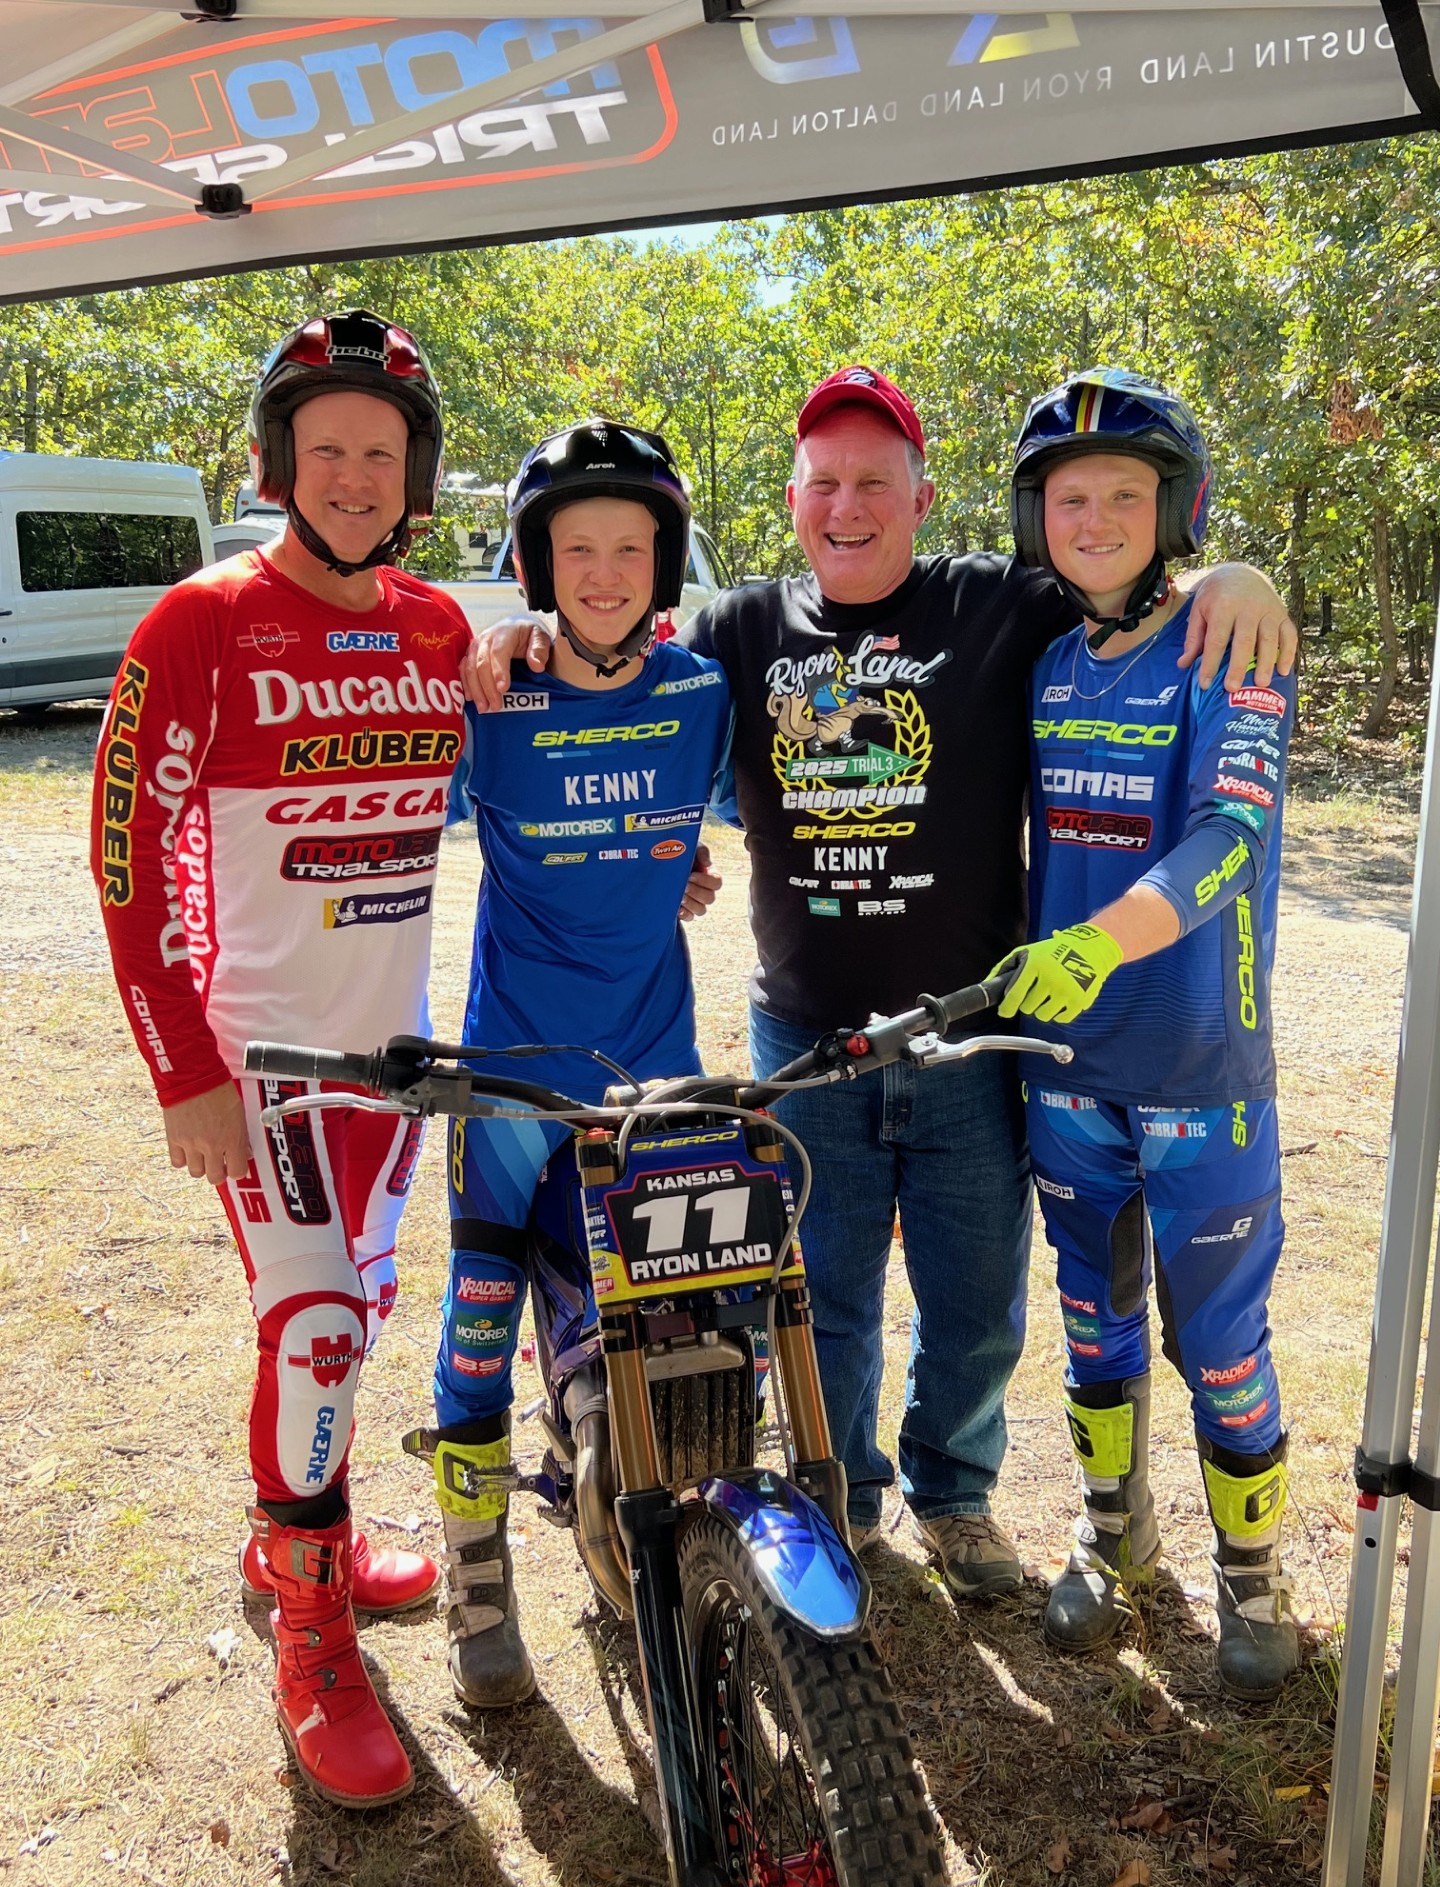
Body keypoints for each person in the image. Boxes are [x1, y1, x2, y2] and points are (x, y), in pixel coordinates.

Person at [460, 366, 1297, 1605]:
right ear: (793, 501)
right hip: (805, 1040)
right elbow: (611, 654)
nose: (846, 507)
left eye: (873, 483)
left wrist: (1235, 573)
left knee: (975, 1304)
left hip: (969, 1038)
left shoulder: (1000, 605)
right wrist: (515, 633)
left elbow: (1123, 571)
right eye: (824, 485)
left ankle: (954, 1497)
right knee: (821, 1295)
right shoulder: (737, 631)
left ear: (922, 498)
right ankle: (842, 1495)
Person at [90, 310, 469, 1808]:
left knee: (350, 1319)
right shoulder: (199, 621)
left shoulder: (437, 627)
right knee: (313, 1323)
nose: (356, 476)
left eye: (381, 451)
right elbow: (125, 860)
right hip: (263, 1068)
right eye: (328, 451)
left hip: (395, 1072)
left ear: (415, 473)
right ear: (277, 463)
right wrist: (183, 1068)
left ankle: (295, 1534)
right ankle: (312, 1639)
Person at [415, 419, 732, 1708]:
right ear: (536, 565)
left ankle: (680, 1538)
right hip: (508, 1075)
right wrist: (492, 640)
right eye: (576, 550)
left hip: (655, 1067)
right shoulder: (490, 697)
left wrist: (683, 866)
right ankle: (476, 1569)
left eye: (631, 549)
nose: (604, 573)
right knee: (479, 1322)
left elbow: (702, 836)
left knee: (689, 1321)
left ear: (665, 564)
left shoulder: (702, 695)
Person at [991, 368, 1297, 1697]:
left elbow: (1232, 838)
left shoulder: (1231, 643)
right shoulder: (1046, 660)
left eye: (1126, 494)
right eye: (1071, 498)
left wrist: (1101, 943)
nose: (1098, 519)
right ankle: (1113, 1525)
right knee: (1090, 1317)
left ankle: (1253, 1569)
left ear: (1175, 510)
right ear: (1036, 520)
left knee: (1220, 1340)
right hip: (1068, 1067)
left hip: (1198, 1066)